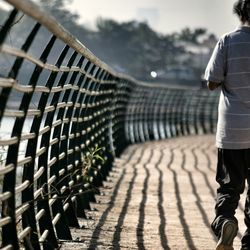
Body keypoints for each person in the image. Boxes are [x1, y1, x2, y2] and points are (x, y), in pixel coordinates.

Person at [205, 0, 250, 249]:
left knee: (230, 185)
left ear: (240, 13)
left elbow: (212, 81)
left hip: (233, 130)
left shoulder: (228, 40)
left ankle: (224, 221)